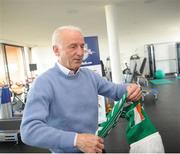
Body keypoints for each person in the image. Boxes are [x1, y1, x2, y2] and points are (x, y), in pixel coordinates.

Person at [20, 25, 142, 153]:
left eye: (82, 46)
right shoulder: (43, 83)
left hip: (95, 148)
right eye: (73, 46)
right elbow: (29, 131)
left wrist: (132, 88)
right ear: (56, 50)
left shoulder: (90, 76)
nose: (80, 53)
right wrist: (76, 140)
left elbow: (116, 91)